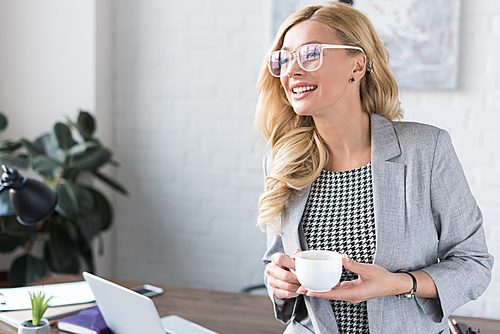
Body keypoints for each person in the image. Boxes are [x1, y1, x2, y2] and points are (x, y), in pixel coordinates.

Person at [255, 2, 493, 333]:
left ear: (357, 64)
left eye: (310, 54)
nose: (292, 71)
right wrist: (278, 282)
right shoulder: (284, 159)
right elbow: (276, 263)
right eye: (284, 59)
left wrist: (399, 283)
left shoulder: (425, 149)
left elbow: (474, 264)